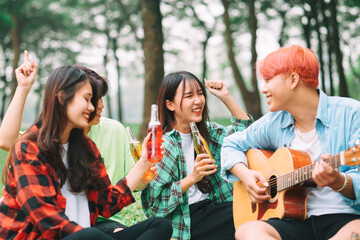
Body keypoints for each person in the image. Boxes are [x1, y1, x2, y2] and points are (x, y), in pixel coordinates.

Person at [0, 65, 172, 239]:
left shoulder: (87, 148)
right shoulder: (29, 149)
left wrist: (144, 161)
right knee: (91, 235)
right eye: (87, 99)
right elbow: (48, 221)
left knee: (160, 225)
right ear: (61, 98)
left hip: (85, 235)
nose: (93, 107)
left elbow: (107, 203)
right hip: (46, 236)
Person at [220, 45, 360, 240]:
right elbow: (231, 144)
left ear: (293, 80)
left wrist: (339, 182)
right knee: (247, 231)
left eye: (268, 80)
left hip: (344, 218)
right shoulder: (274, 122)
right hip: (292, 220)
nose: (263, 89)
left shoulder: (352, 114)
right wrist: (246, 175)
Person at [141, 71, 253, 240]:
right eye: (189, 96)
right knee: (248, 216)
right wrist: (193, 177)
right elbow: (155, 206)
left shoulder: (208, 133)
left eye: (200, 94)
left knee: (253, 210)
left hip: (214, 208)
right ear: (170, 105)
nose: (198, 100)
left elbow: (247, 135)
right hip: (186, 220)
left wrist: (226, 97)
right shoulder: (165, 145)